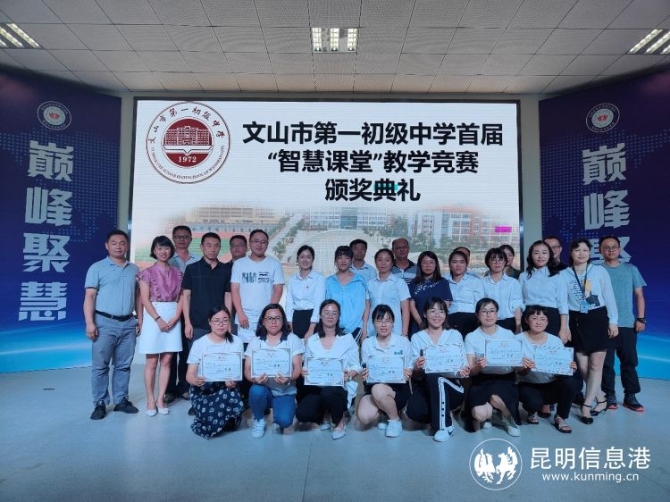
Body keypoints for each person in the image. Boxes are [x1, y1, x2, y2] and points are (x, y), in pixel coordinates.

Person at [84, 230, 141, 420]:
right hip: (104, 322)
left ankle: (121, 400)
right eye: (114, 243)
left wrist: (139, 319)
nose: (118, 246)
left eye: (122, 243)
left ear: (127, 245)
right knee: (100, 366)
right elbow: (90, 296)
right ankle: (100, 403)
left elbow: (138, 297)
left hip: (128, 322)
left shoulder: (134, 269)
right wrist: (90, 323)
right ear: (107, 245)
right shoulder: (97, 268)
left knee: (123, 365)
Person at [561, 238, 618, 425]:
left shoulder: (598, 271)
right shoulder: (564, 274)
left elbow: (609, 296)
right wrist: (565, 326)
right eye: (577, 250)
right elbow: (563, 303)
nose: (581, 253)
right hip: (576, 320)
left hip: (598, 318)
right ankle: (601, 398)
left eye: (585, 250)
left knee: (596, 365)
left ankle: (586, 405)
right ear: (571, 253)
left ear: (590, 252)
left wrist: (613, 321)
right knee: (584, 366)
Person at [181, 232, 232, 415]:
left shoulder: (225, 269)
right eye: (208, 245)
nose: (212, 249)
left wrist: (228, 322)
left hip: (220, 326)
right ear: (201, 247)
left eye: (216, 245)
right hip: (197, 325)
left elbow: (228, 296)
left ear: (220, 248)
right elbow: (186, 297)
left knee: (218, 363)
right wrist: (187, 323)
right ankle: (197, 402)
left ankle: (216, 399)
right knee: (197, 365)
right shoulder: (192, 269)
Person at [406, 298, 469, 442]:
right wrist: (417, 366)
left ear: (446, 314)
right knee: (414, 411)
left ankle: (443, 426)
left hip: (453, 388)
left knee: (436, 377)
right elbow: (415, 372)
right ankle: (441, 413)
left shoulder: (455, 335)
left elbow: (463, 365)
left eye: (441, 311)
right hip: (427, 388)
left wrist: (463, 371)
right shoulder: (417, 337)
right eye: (432, 311)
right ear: (424, 314)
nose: (437, 315)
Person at [296, 300, 361, 440]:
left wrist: (349, 374)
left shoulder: (347, 339)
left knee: (329, 392)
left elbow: (356, 365)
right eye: (326, 312)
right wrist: (304, 371)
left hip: (339, 387)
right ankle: (325, 414)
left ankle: (340, 422)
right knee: (303, 414)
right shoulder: (312, 340)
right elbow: (307, 364)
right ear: (320, 315)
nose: (330, 316)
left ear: (339, 316)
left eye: (334, 313)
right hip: (317, 387)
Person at [599, 236, 647, 412]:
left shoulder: (631, 269)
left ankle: (630, 396)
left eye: (614, 247)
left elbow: (639, 295)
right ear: (600, 250)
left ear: (619, 249)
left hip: (627, 323)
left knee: (629, 362)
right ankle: (609, 395)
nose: (610, 250)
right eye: (606, 247)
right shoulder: (597, 271)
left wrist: (641, 318)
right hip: (604, 325)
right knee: (606, 363)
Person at [137, 235, 183, 416]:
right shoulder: (146, 273)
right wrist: (158, 319)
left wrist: (176, 317)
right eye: (159, 248)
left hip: (173, 315)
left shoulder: (178, 273)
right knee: (151, 362)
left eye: (166, 248)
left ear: (171, 250)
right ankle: (150, 399)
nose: (163, 252)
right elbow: (144, 299)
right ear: (153, 251)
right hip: (153, 316)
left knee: (167, 361)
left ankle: (160, 398)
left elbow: (182, 298)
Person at [515, 306, 580, 433]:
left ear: (547, 322)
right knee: (533, 403)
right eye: (534, 318)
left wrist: (569, 368)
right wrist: (526, 369)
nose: (538, 322)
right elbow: (517, 372)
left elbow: (560, 370)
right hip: (528, 383)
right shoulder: (518, 340)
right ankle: (532, 411)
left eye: (543, 319)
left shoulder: (555, 341)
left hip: (551, 384)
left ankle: (560, 417)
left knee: (572, 382)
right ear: (527, 320)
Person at [244, 304, 304, 438]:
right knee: (256, 391)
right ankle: (259, 419)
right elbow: (247, 368)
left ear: (283, 320)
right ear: (263, 321)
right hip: (264, 387)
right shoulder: (255, 341)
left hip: (285, 390)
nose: (273, 321)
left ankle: (279, 411)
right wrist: (254, 379)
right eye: (269, 318)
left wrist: (289, 379)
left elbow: (297, 368)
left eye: (277, 318)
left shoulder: (293, 339)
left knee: (285, 421)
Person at [464, 298, 521, 437]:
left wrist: (519, 363)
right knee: (479, 414)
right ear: (477, 315)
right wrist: (478, 366)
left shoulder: (508, 334)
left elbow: (516, 366)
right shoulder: (471, 337)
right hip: (482, 380)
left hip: (505, 379)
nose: (488, 315)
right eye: (484, 311)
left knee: (496, 397)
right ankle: (490, 414)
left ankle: (507, 417)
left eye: (492, 311)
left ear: (497, 314)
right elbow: (471, 371)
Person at [186, 307, 244, 438]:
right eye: (216, 320)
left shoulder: (237, 342)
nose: (221, 324)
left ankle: (230, 417)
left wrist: (233, 381)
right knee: (209, 423)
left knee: (230, 393)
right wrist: (195, 380)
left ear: (229, 322)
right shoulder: (199, 343)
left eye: (225, 320)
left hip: (226, 386)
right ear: (209, 322)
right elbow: (189, 374)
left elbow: (237, 372)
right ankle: (211, 413)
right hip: (204, 387)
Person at [357, 305, 413, 438]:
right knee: (364, 418)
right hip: (373, 388)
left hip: (398, 390)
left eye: (388, 320)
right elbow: (364, 366)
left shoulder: (403, 342)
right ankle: (385, 413)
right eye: (379, 320)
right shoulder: (367, 343)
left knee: (378, 389)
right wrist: (364, 373)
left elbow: (410, 365)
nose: (383, 324)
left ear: (393, 323)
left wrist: (409, 371)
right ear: (373, 323)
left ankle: (395, 420)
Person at [165, 225, 200, 403]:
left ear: (191, 239)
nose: (182, 239)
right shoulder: (167, 260)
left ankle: (185, 387)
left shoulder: (198, 260)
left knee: (187, 351)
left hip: (192, 311)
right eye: (178, 236)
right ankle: (169, 389)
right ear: (173, 239)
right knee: (170, 353)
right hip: (171, 312)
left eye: (185, 236)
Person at [231, 229, 284, 344]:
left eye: (263, 242)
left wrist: (267, 315)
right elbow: (235, 290)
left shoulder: (275, 264)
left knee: (265, 348)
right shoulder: (239, 264)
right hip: (244, 316)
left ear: (267, 244)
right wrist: (240, 313)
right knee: (245, 349)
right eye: (256, 241)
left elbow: (278, 290)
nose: (259, 245)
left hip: (265, 317)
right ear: (250, 243)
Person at [518, 240, 569, 341]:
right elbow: (519, 302)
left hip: (551, 317)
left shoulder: (558, 276)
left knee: (550, 348)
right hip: (529, 317)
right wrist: (518, 324)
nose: (540, 256)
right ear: (531, 255)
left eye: (544, 253)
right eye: (536, 253)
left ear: (550, 255)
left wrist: (564, 328)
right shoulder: (523, 276)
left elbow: (563, 304)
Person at [325, 245, 370, 342]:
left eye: (347, 258)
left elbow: (362, 306)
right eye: (340, 258)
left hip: (355, 328)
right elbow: (326, 306)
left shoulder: (359, 280)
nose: (343, 261)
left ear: (351, 260)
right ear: (335, 261)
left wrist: (356, 328)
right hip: (333, 328)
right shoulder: (329, 281)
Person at [367, 248, 410, 338]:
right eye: (380, 260)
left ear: (392, 263)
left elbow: (405, 309)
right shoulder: (370, 284)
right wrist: (364, 332)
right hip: (372, 331)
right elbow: (367, 309)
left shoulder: (400, 283)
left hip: (394, 330)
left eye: (387, 260)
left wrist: (404, 333)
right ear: (375, 262)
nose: (383, 263)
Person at [285, 245, 326, 339]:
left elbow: (319, 303)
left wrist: (311, 328)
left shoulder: (319, 278)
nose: (305, 260)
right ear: (297, 259)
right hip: (296, 317)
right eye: (302, 257)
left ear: (313, 259)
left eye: (308, 257)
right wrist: (289, 324)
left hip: (312, 318)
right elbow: (289, 303)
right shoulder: (292, 279)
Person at [408, 251, 453, 337]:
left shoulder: (443, 282)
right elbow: (412, 306)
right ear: (420, 265)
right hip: (418, 325)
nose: (428, 265)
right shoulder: (413, 283)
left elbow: (445, 305)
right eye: (424, 262)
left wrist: (436, 321)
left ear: (436, 265)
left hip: (438, 324)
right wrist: (421, 323)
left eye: (431, 262)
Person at [482, 247, 523, 333]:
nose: (497, 262)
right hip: (487, 322)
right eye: (493, 259)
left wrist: (518, 326)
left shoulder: (513, 283)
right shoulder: (481, 282)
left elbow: (517, 305)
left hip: (508, 322)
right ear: (488, 262)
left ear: (505, 262)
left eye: (501, 259)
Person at [446, 249, 485, 337]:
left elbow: (479, 304)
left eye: (462, 262)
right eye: (454, 262)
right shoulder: (444, 281)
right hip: (450, 317)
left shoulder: (475, 281)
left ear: (466, 264)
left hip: (470, 317)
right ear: (449, 264)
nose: (458, 265)